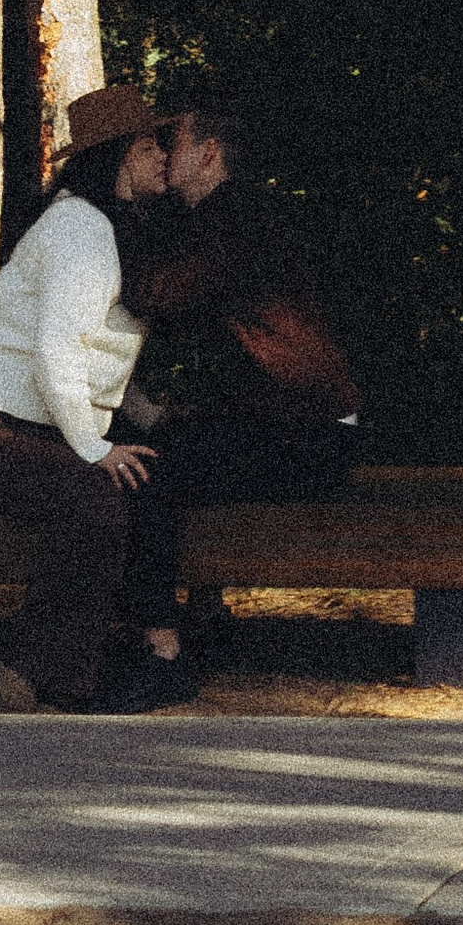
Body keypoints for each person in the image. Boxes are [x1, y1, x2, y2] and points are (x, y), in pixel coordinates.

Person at [0, 82, 179, 714]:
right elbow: (56, 354)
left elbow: (93, 350)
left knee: (121, 491)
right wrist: (96, 447)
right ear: (122, 153)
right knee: (100, 495)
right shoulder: (79, 229)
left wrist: (148, 415)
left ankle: (72, 675)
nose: (163, 156)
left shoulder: (103, 226)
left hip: (25, 425)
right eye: (153, 143)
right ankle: (28, 669)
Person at [115, 98, 363, 676]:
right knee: (168, 436)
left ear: (208, 154)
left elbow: (152, 293)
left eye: (172, 141)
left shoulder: (233, 221)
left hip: (311, 439)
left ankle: (160, 641)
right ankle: (204, 609)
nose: (164, 152)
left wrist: (122, 201)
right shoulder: (229, 216)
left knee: (146, 468)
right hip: (303, 428)